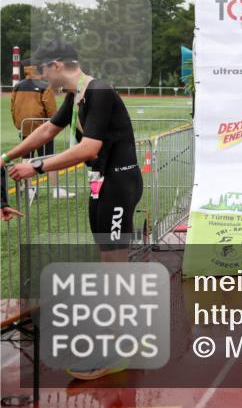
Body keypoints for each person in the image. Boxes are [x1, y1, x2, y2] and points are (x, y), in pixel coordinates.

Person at [2, 39, 141, 381]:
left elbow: (88, 148)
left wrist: (37, 167)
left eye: (42, 70)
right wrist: (6, 157)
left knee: (115, 268)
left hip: (118, 185)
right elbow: (49, 129)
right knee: (109, 265)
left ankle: (119, 348)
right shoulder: (76, 95)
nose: (41, 78)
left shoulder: (99, 91)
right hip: (103, 185)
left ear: (58, 64)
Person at [10, 65, 57, 158]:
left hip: (24, 126)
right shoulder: (45, 86)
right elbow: (51, 109)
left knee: (26, 158)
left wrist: (18, 125)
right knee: (46, 158)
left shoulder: (17, 86)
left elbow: (13, 108)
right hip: (42, 129)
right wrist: (54, 124)